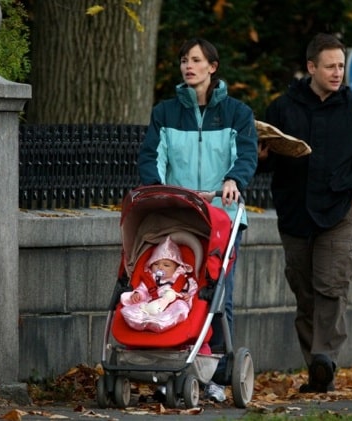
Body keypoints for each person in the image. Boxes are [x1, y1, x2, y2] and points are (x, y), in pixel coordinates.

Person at [258, 33, 352, 393]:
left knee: (332, 287)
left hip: (338, 212)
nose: (337, 72)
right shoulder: (283, 108)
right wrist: (262, 158)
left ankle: (324, 359)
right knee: (305, 292)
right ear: (311, 67)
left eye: (341, 66)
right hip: (295, 213)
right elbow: (264, 160)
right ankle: (316, 368)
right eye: (330, 66)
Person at [137, 37, 258, 402]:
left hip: (222, 215)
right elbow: (151, 157)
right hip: (179, 215)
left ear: (212, 66)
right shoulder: (165, 113)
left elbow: (247, 154)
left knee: (218, 297)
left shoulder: (237, 113)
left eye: (195, 60)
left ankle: (217, 374)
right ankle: (173, 363)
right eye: (183, 60)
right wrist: (155, 190)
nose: (188, 66)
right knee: (171, 291)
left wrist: (233, 179)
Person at [120, 235, 202, 337]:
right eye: (156, 264)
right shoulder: (150, 279)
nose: (160, 267)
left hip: (172, 304)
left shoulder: (184, 280)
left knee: (181, 306)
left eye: (166, 265)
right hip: (151, 303)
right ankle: (144, 320)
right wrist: (138, 294)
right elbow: (143, 289)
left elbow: (193, 291)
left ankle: (162, 321)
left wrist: (188, 297)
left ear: (177, 267)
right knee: (135, 307)